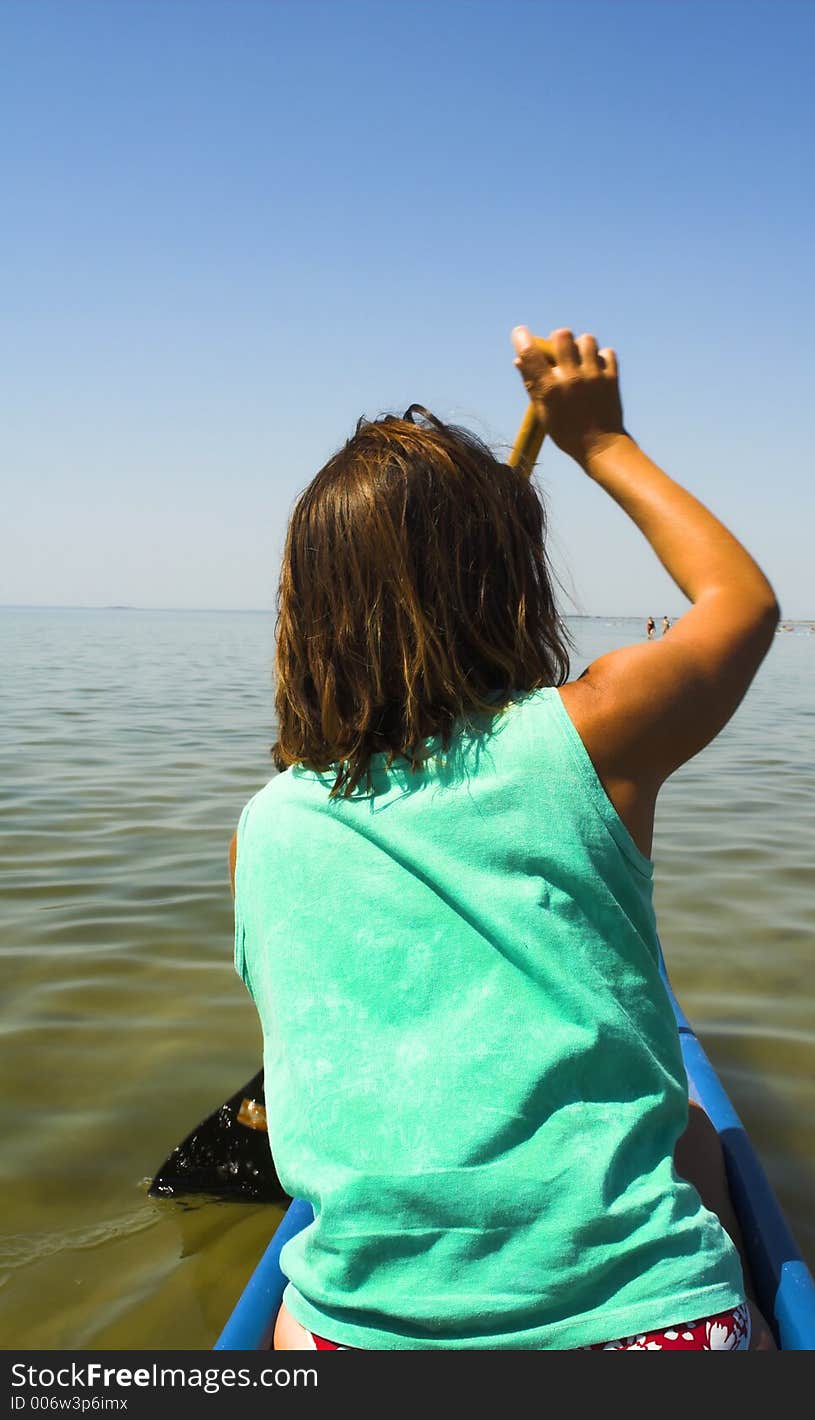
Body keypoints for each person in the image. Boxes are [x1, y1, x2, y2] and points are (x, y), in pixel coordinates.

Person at [230, 325, 780, 1351]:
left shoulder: (264, 831)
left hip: (357, 1339)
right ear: (510, 583)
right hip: (636, 1333)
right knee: (695, 1145)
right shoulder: (591, 731)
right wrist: (601, 442)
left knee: (295, 1333)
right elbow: (739, 606)